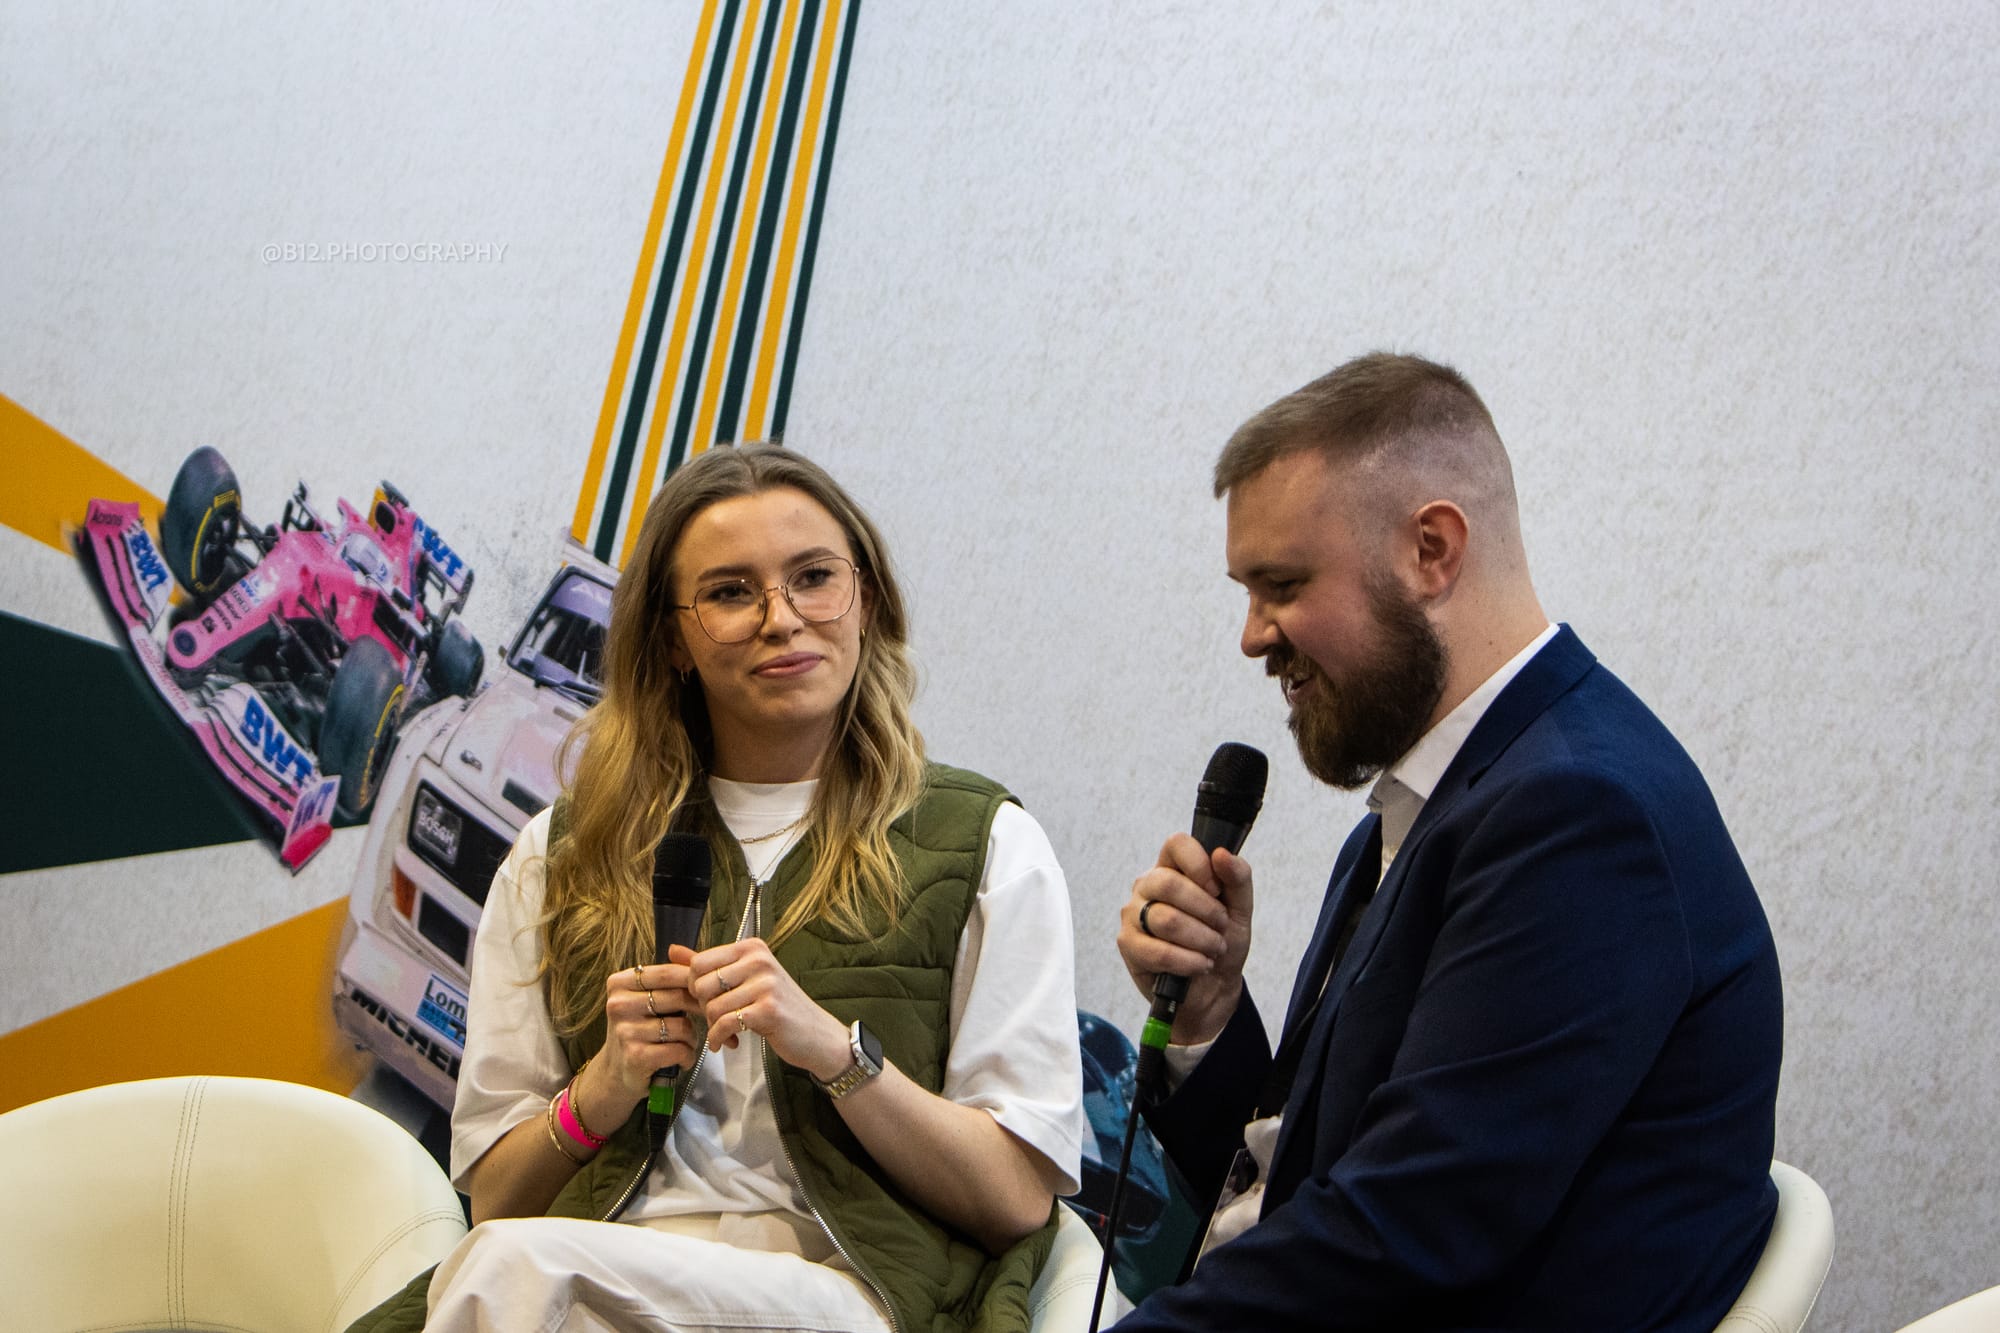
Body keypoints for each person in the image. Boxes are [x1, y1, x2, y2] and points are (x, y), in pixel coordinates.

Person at [1113, 354, 1783, 1330]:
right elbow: (1313, 1177)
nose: (1252, 635)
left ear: (1432, 550)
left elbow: (1402, 1235)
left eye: (1282, 585)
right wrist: (1208, 1017)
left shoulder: (1576, 814)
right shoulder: (1433, 807)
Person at [352, 444, 1083, 1333]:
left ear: (867, 599)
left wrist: (834, 1053)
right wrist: (604, 1087)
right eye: (732, 592)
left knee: (507, 1272)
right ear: (672, 641)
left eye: (814, 577)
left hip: (845, 1294)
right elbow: (498, 1201)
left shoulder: (986, 843)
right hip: (590, 1279)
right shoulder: (561, 853)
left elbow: (1017, 1199)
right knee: (503, 1266)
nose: (782, 618)